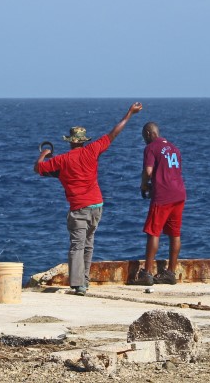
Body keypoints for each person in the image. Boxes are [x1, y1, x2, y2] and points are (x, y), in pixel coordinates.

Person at [34, 103, 143, 296]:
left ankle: (78, 285)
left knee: (77, 245)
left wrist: (43, 155)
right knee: (88, 244)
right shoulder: (92, 150)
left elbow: (39, 169)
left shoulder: (62, 160)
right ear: (83, 141)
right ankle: (84, 280)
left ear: (70, 142)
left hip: (79, 208)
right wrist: (129, 113)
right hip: (97, 206)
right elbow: (113, 133)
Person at [130, 122, 186, 286]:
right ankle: (171, 272)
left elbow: (148, 171)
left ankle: (146, 273)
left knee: (153, 232)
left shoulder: (151, 148)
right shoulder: (174, 148)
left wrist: (144, 185)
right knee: (174, 233)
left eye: (144, 137)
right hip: (179, 193)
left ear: (148, 133)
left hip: (163, 195)